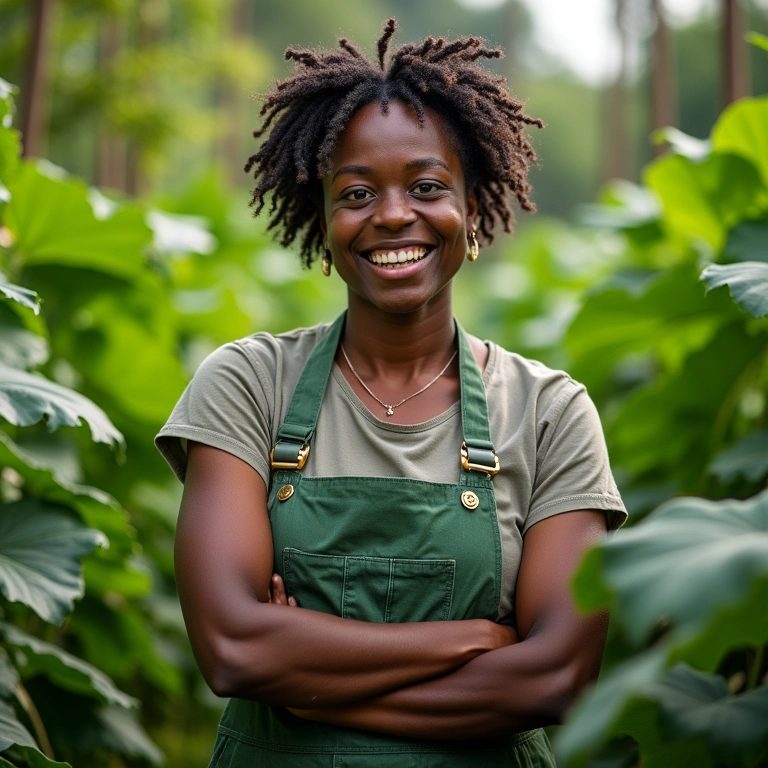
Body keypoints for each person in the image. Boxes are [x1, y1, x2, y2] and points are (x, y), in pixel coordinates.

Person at [156, 18, 627, 767]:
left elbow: (557, 677)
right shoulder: (248, 386)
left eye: (428, 186)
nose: (394, 214)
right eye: (357, 192)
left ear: (472, 211)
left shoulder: (548, 413)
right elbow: (234, 651)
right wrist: (471, 639)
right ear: (325, 220)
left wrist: (307, 676)